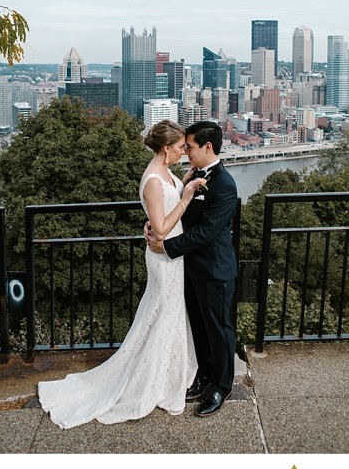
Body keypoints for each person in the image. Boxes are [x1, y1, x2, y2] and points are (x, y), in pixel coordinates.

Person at [37, 119, 203, 428]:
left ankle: (169, 376)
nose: (185, 151)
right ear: (166, 149)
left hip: (174, 255)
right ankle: (152, 383)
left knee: (167, 316)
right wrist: (185, 198)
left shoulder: (166, 172)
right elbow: (163, 227)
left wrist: (187, 180)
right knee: (164, 316)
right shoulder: (153, 180)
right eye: (181, 147)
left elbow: (160, 217)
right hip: (163, 257)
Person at [146, 120, 238, 417]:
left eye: (191, 147)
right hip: (190, 268)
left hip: (215, 270)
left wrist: (167, 247)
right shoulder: (194, 176)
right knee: (199, 327)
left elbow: (208, 232)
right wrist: (154, 223)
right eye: (183, 147)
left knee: (219, 329)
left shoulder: (224, 184)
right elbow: (178, 214)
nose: (186, 152)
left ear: (208, 147)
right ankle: (204, 374)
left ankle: (222, 385)